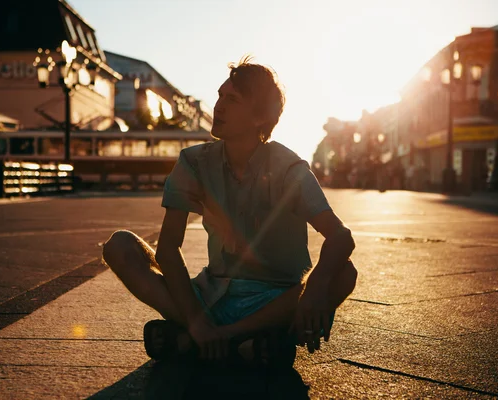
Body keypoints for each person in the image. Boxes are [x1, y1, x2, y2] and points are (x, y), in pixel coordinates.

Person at [102, 56, 357, 367]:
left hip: (275, 300)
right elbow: (168, 250)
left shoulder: (288, 167)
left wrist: (315, 287)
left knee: (343, 273)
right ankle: (245, 344)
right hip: (209, 296)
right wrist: (197, 319)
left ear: (259, 118)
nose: (218, 106)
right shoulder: (193, 162)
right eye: (220, 95)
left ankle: (199, 341)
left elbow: (340, 237)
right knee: (120, 245)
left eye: (232, 100)